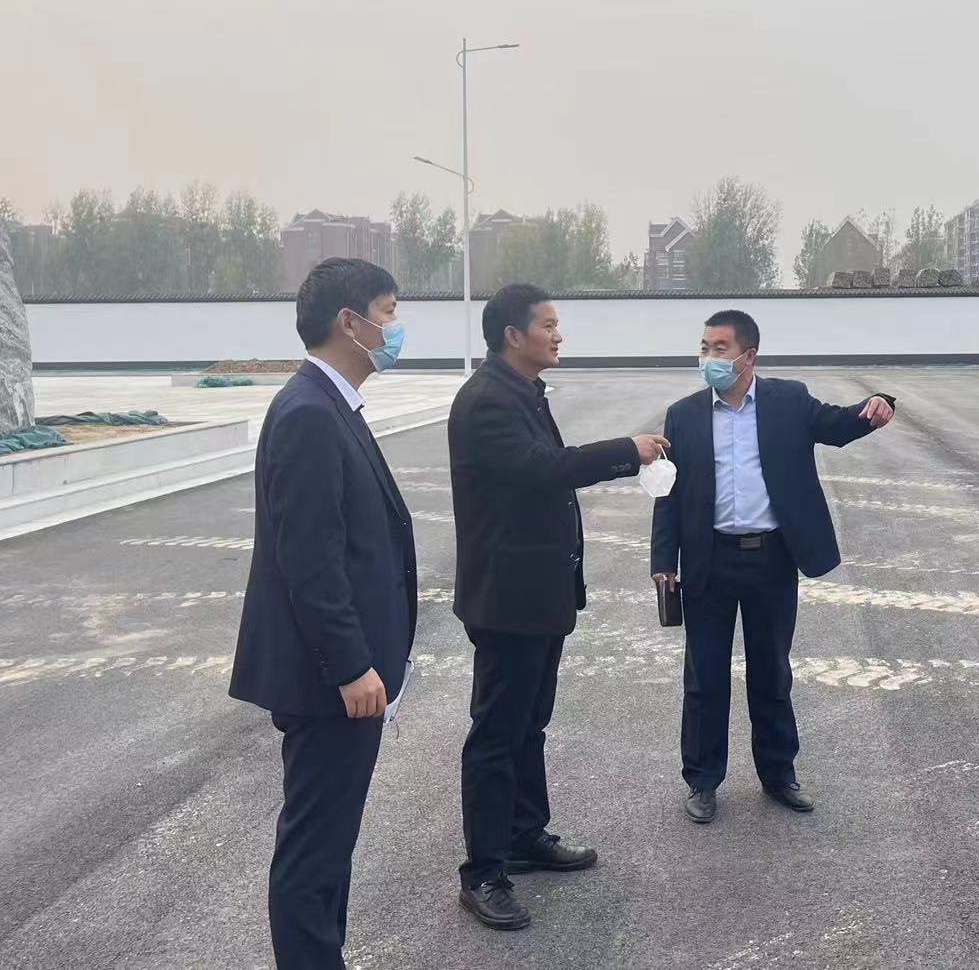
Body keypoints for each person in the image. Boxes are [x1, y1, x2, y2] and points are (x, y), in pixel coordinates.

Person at [448, 283, 669, 930]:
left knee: (529, 724)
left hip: (536, 594)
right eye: (548, 325)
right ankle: (484, 872)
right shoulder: (488, 401)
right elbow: (544, 469)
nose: (558, 335)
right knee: (497, 734)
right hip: (507, 599)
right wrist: (626, 451)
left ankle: (524, 834)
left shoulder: (521, 391)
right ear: (513, 335)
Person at [229, 258, 416, 970]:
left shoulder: (331, 404)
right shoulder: (309, 412)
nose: (394, 328)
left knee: (329, 844)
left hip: (344, 677)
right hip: (330, 682)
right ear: (350, 321)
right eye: (388, 312)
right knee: (314, 850)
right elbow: (309, 559)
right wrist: (351, 665)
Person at [651, 309, 895, 824]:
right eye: (704, 348)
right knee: (704, 677)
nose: (709, 358)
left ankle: (779, 774)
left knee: (771, 672)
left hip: (771, 559)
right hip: (709, 561)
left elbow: (837, 424)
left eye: (719, 349)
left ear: (748, 356)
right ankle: (702, 780)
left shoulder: (788, 401)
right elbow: (668, 494)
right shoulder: (684, 415)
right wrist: (663, 561)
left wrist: (877, 404)